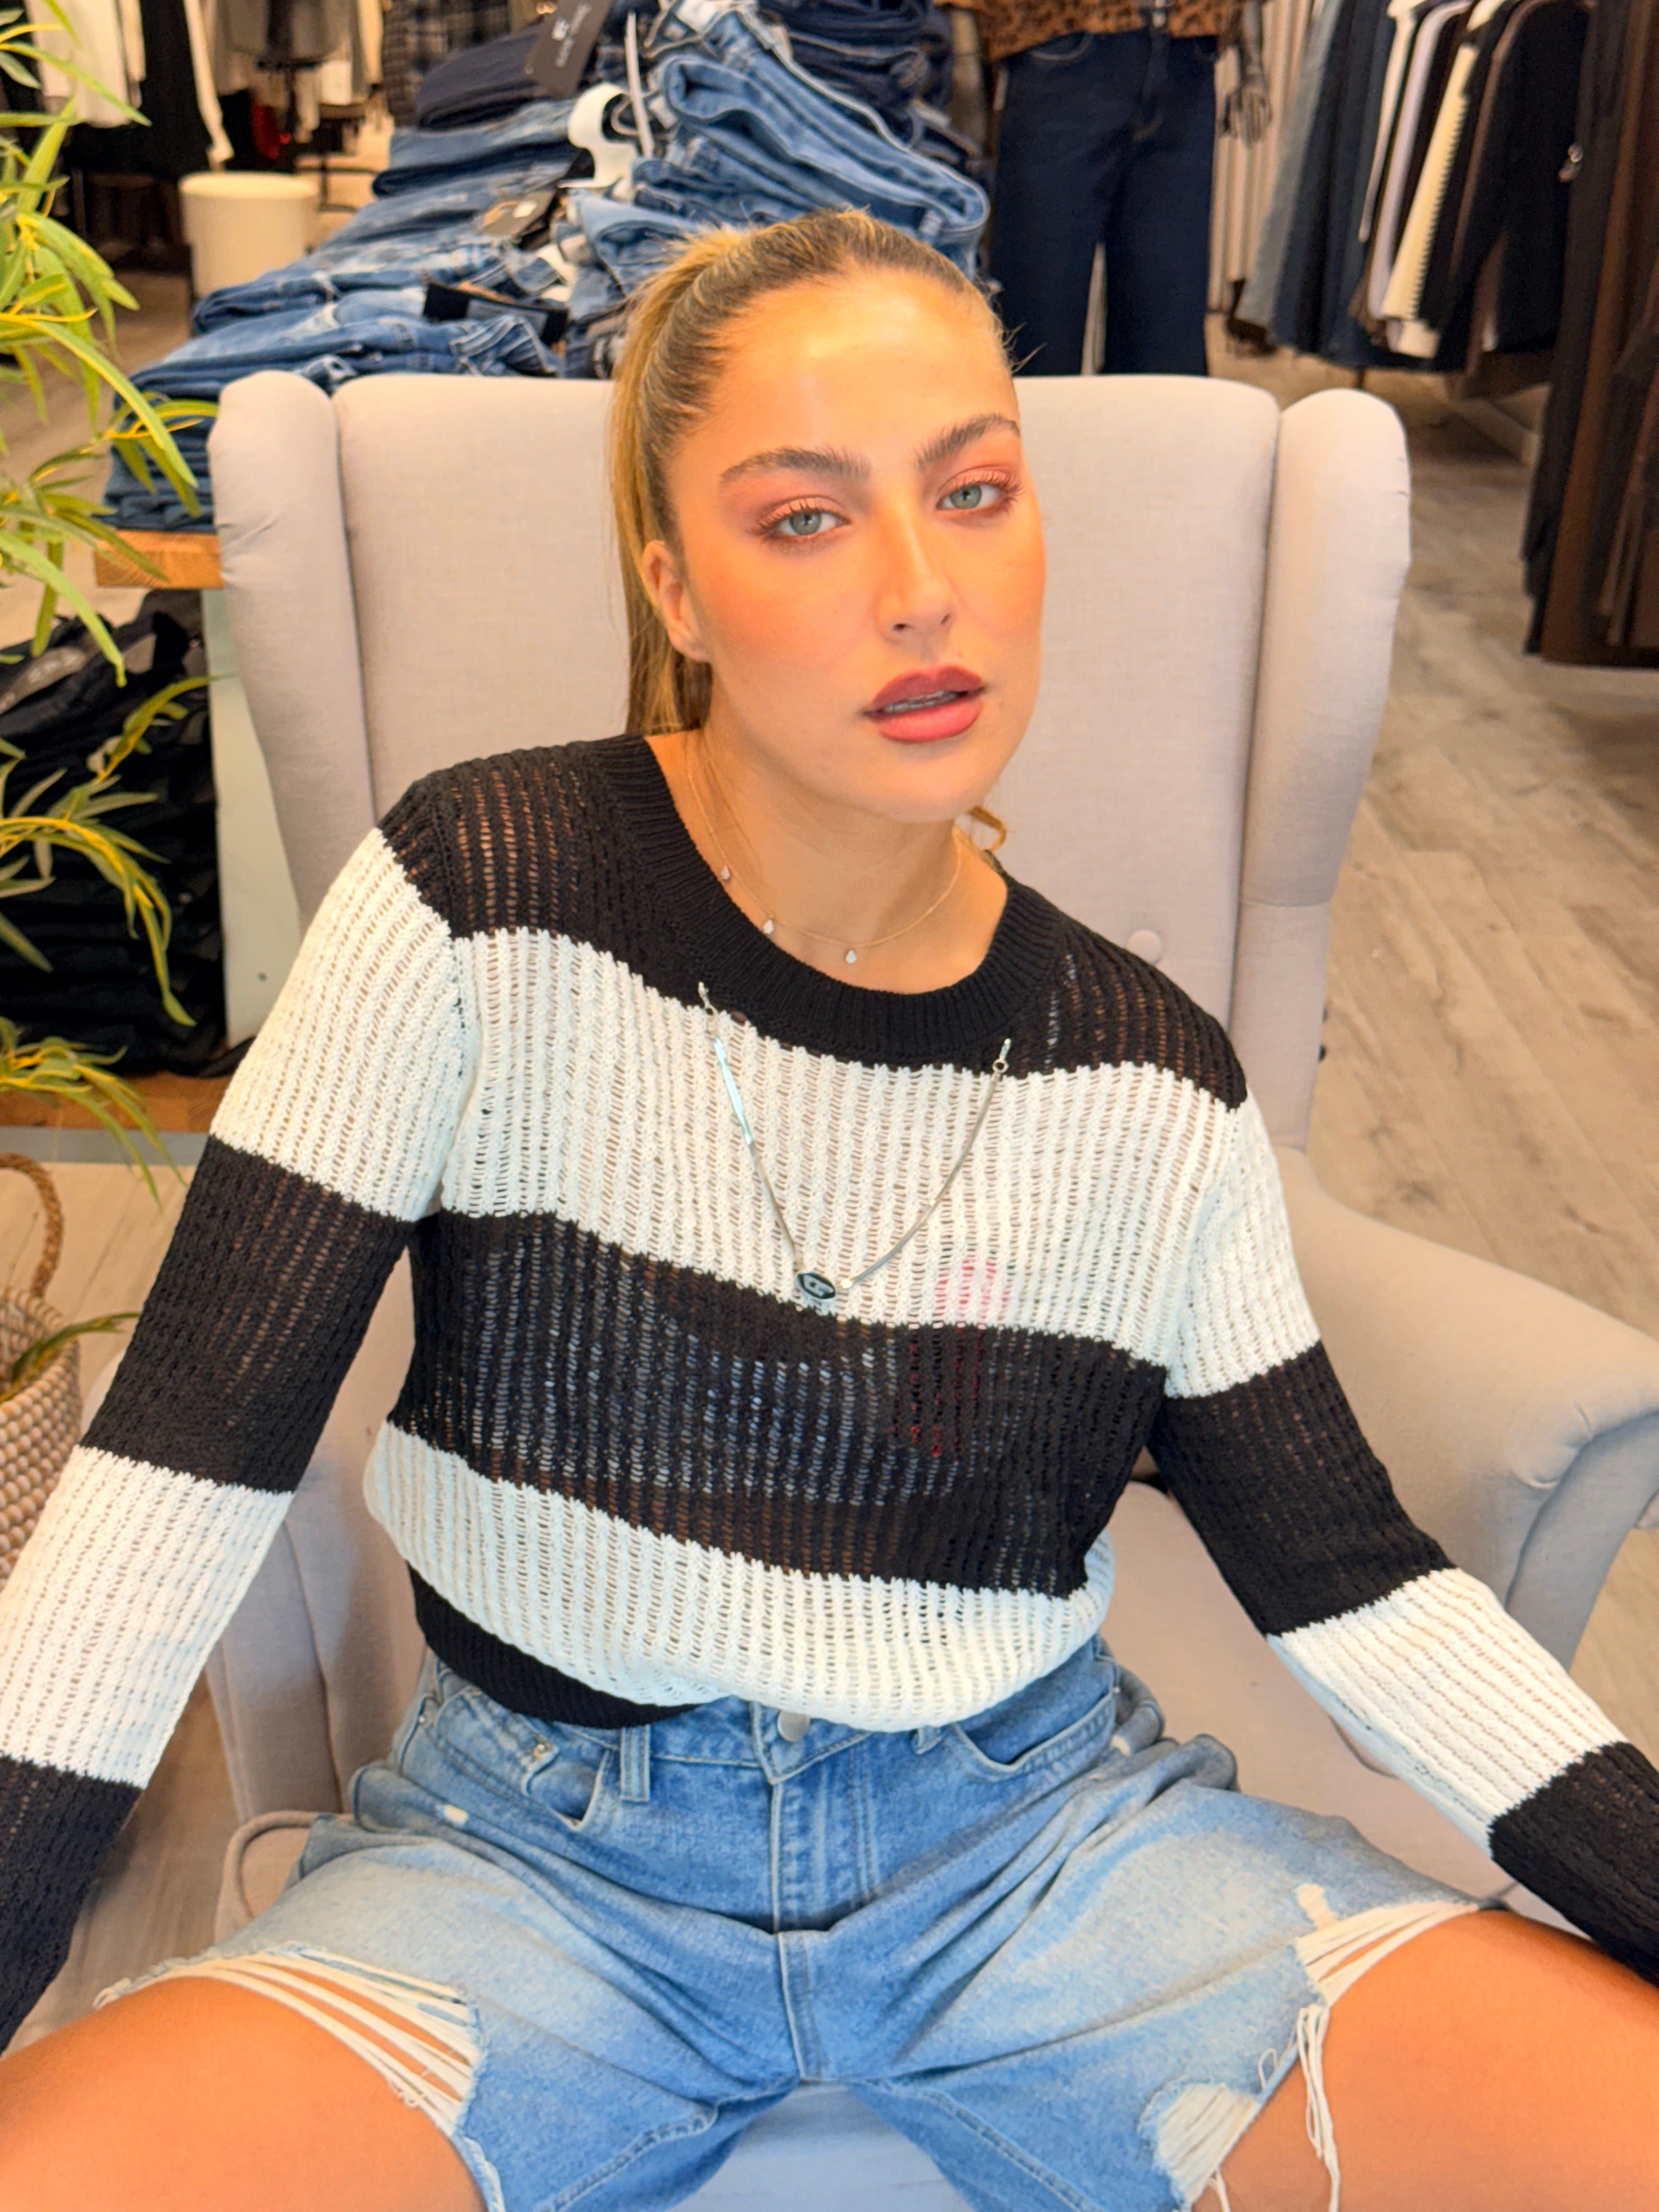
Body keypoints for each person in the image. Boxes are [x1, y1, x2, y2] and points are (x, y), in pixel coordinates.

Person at [0, 210, 1656, 2212]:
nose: (917, 589)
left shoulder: (1147, 1074)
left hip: (1043, 1860)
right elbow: (170, 1485)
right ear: (673, 585)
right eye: (802, 518)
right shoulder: (472, 898)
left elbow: (1356, 1585)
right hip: (527, 1875)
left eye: (973, 491)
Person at [981, 0, 1272, 374]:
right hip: (1062, 40)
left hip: (1189, 54)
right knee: (1036, 337)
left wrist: (1253, 64)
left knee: (1166, 356)